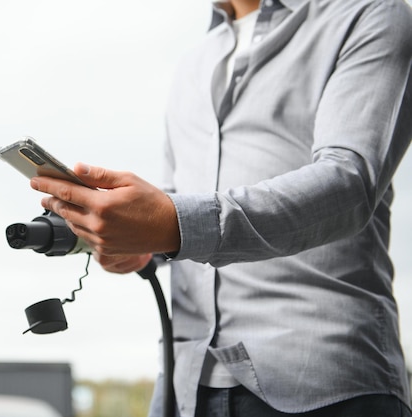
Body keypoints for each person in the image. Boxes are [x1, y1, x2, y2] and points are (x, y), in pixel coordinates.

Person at [28, 0, 412, 416]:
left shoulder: (369, 14)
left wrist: (174, 224)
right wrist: (139, 241)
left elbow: (348, 183)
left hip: (326, 386)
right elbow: (176, 201)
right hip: (187, 388)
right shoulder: (195, 61)